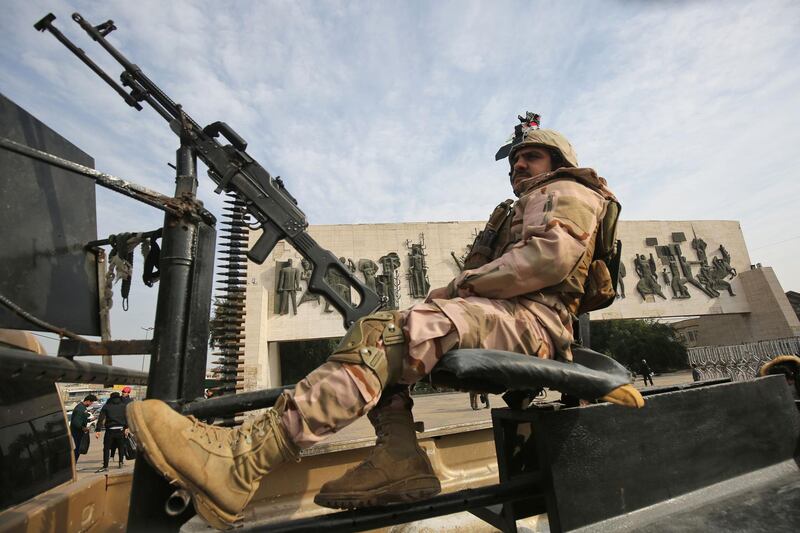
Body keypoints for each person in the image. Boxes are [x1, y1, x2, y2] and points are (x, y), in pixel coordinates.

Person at [128, 115, 644, 529]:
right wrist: (462, 287)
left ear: (558, 159)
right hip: (510, 316)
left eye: (529, 156)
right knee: (377, 331)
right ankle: (401, 460)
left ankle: (243, 462)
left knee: (394, 334)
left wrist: (463, 287)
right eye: (513, 161)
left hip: (536, 324)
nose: (517, 166)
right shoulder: (518, 207)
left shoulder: (571, 191)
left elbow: (549, 259)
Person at [94, 392, 129, 472]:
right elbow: (127, 417)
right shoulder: (124, 406)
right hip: (121, 430)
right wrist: (126, 427)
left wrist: (98, 430)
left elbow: (101, 418)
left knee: (106, 448)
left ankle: (106, 466)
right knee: (121, 447)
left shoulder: (106, 406)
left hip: (110, 430)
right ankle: (120, 462)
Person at [70, 394, 98, 462]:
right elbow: (75, 422)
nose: (91, 404)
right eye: (91, 402)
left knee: (79, 448)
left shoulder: (83, 407)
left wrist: (91, 420)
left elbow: (82, 419)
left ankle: (72, 462)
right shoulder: (80, 408)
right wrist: (83, 428)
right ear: (88, 401)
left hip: (79, 431)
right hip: (77, 431)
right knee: (79, 448)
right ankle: (72, 462)